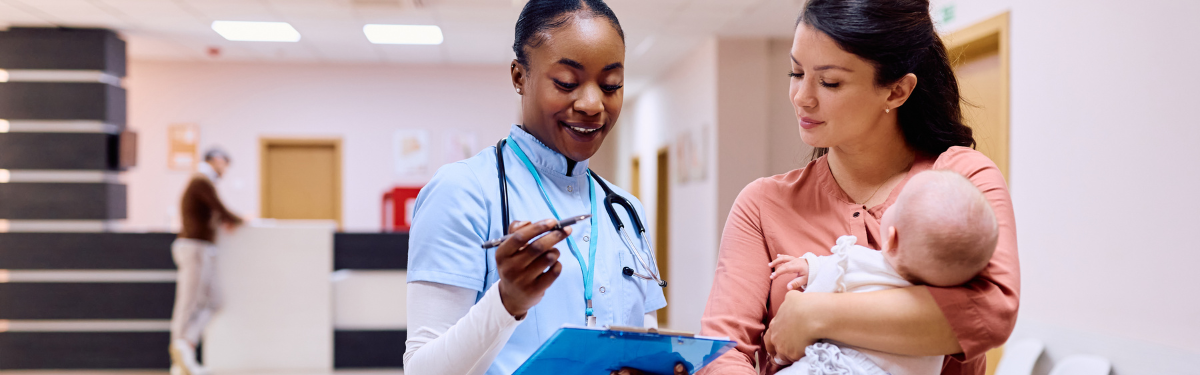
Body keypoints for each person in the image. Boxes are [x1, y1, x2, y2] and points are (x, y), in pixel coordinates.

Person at [698, 0, 1020, 374]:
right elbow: (721, 352)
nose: (802, 97)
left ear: (897, 91)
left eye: (830, 81)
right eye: (796, 72)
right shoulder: (762, 204)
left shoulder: (960, 181)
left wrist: (816, 313)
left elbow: (990, 312)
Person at [403, 1, 674, 375]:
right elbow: (422, 370)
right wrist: (507, 300)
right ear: (519, 77)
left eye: (611, 85)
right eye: (566, 82)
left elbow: (645, 342)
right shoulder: (463, 191)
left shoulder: (626, 211)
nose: (593, 104)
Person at [769, 170, 999, 375]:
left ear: (892, 239)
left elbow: (823, 286)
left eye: (897, 206)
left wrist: (810, 268)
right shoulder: (938, 309)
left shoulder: (863, 261)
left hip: (838, 366)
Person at [169, 148, 243, 375]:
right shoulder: (201, 181)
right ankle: (178, 355)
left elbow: (213, 211)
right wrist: (240, 219)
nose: (225, 170)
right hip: (194, 248)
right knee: (188, 302)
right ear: (217, 160)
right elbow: (220, 207)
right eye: (225, 165)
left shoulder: (204, 183)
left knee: (215, 300)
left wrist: (224, 220)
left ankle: (185, 345)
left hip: (204, 248)